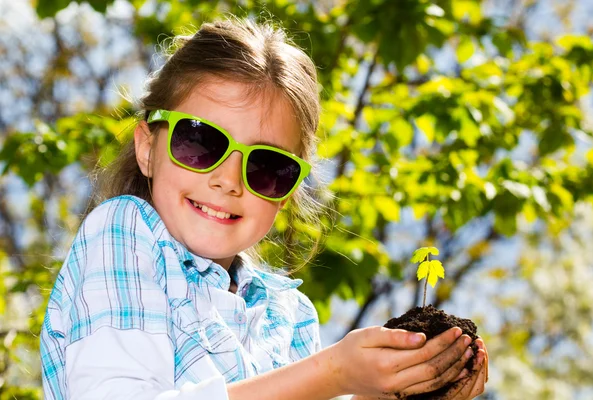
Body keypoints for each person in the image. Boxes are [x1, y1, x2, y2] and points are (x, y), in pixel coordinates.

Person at [40, 18, 488, 400]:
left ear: (289, 189)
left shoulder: (289, 315)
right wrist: (332, 373)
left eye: (268, 165)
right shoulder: (124, 232)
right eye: (200, 141)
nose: (228, 181)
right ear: (147, 148)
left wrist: (388, 389)